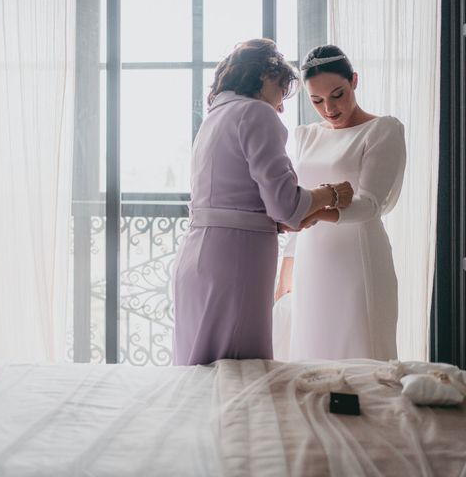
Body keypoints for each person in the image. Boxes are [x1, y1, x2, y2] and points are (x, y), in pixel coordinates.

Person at [173, 39, 353, 366]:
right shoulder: (256, 113)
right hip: (236, 258)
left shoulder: (214, 118)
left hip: (196, 254)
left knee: (198, 370)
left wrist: (294, 215)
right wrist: (331, 193)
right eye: (281, 92)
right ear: (264, 77)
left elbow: (249, 201)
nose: (281, 106)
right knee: (238, 373)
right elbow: (286, 205)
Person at [275, 45, 406, 361]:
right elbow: (298, 201)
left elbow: (371, 203)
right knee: (310, 354)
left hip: (358, 259)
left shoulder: (382, 129)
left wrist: (315, 212)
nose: (329, 108)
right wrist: (285, 274)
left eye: (337, 94)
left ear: (354, 81)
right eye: (317, 100)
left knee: (361, 353)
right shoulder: (306, 135)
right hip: (311, 260)